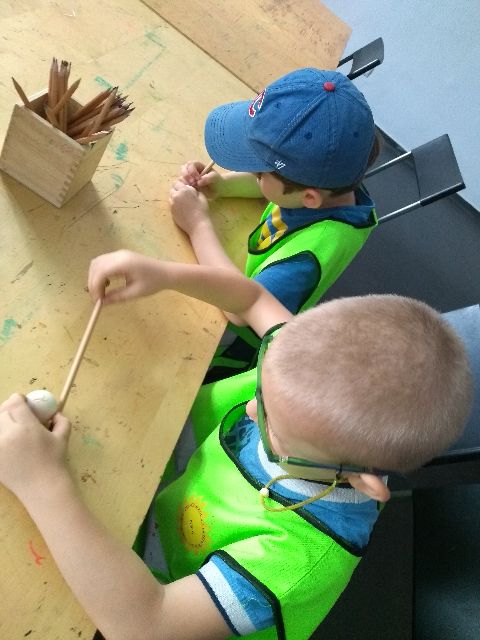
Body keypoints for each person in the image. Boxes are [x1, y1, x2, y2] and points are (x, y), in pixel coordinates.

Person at [0, 249, 473, 640]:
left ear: (362, 481)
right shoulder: (306, 365)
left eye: (275, 428)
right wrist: (163, 274)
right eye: (261, 390)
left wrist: (42, 484)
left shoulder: (300, 556)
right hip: (152, 490)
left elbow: (147, 624)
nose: (249, 409)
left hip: (153, 592)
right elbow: (251, 296)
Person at [172, 67, 380, 383]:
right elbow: (281, 187)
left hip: (227, 345)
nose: (254, 175)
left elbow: (239, 309)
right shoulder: (333, 182)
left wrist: (197, 224)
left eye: (258, 172)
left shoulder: (308, 256)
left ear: (310, 197)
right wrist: (224, 186)